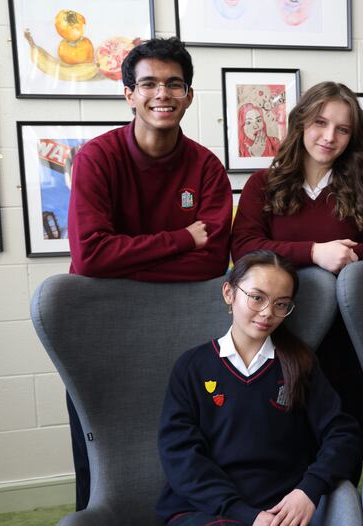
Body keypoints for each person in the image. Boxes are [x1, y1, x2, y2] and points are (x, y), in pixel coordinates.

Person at [66, 37, 232, 510]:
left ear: (189, 95)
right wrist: (181, 238)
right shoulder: (97, 159)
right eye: (149, 84)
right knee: (100, 456)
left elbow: (211, 261)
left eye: (174, 84)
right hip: (100, 331)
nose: (163, 94)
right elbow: (91, 257)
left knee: (188, 443)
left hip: (181, 333)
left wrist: (125, 260)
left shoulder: (205, 167)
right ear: (129, 94)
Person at [231, 81, 363, 461]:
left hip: (342, 338)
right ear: (301, 124)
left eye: (342, 129)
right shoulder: (264, 183)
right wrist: (313, 253)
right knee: (276, 443)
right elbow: (244, 248)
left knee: (343, 440)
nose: (329, 137)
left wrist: (355, 256)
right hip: (276, 331)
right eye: (320, 123)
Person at [157, 250, 361, 526]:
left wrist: (308, 490)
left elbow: (342, 435)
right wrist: (244, 514)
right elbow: (181, 456)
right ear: (229, 293)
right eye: (257, 298)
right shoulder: (192, 367)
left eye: (281, 304)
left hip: (279, 514)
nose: (267, 313)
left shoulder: (300, 364)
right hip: (204, 510)